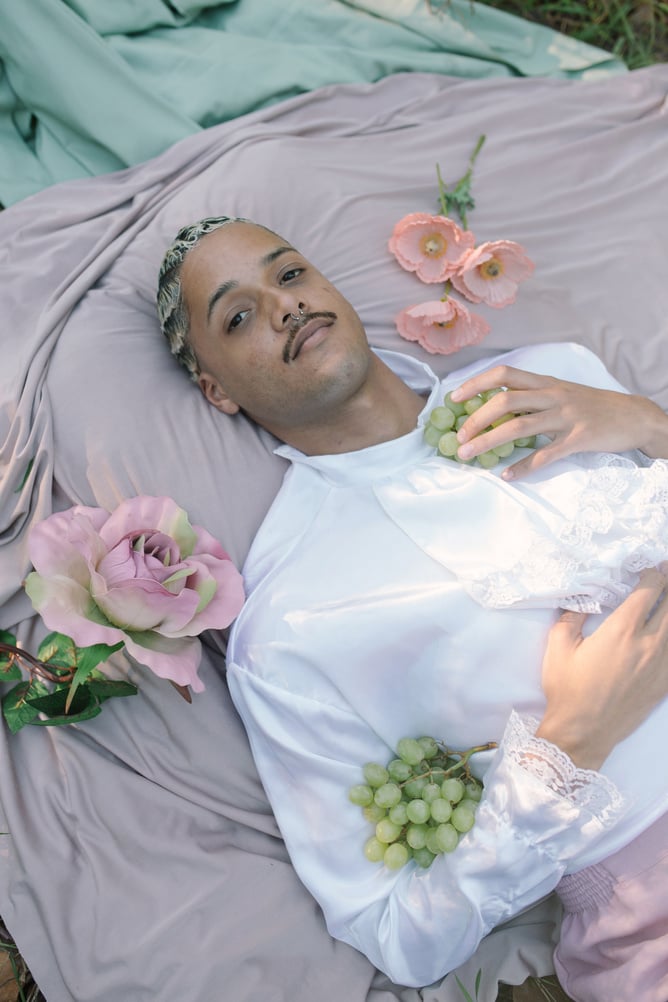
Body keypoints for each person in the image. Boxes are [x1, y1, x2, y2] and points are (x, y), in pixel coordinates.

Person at [157, 216, 668, 1001]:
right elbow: (397, 933)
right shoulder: (294, 626)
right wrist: (570, 744)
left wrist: (649, 422)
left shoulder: (554, 374)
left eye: (288, 275)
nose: (284, 306)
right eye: (238, 315)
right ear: (215, 389)